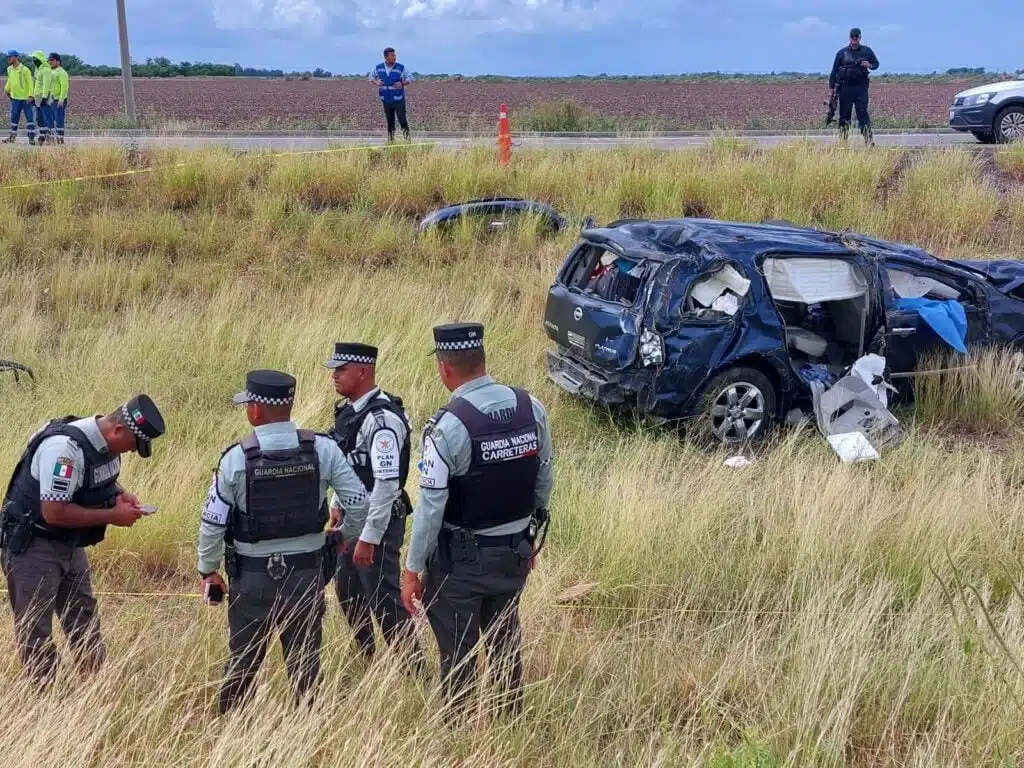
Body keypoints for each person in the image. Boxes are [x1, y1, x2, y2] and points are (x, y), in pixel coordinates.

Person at [401, 323, 554, 719]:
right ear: (482, 361)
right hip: (514, 552)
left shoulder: (447, 427)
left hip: (461, 564)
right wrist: (530, 537)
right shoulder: (530, 408)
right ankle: (509, 723)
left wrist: (413, 568)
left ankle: (459, 730)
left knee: (456, 652)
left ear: (444, 369)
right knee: (505, 640)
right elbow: (544, 477)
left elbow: (431, 509)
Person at [197, 369, 370, 715]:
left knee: (243, 660)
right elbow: (360, 503)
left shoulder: (236, 459)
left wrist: (208, 570)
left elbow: (212, 523)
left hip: (252, 576)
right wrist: (343, 538)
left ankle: (230, 727)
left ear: (256, 410)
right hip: (307, 573)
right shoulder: (323, 449)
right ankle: (306, 727)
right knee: (306, 663)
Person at [1, 396, 166, 687]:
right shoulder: (63, 450)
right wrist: (113, 516)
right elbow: (54, 511)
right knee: (35, 629)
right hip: (34, 546)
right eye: (131, 444)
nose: (130, 452)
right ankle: (46, 702)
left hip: (69, 543)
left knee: (83, 617)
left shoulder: (103, 445)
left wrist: (117, 495)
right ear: (117, 430)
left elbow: (90, 481)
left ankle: (95, 693)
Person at [324, 342, 424, 668]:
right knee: (348, 592)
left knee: (383, 601)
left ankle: (415, 672)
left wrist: (369, 538)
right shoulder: (351, 413)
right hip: (354, 520)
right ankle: (370, 666)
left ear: (363, 372)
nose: (334, 375)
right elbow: (349, 465)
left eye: (341, 369)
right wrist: (338, 503)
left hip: (377, 523)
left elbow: (386, 485)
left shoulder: (381, 421)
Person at [828, 28, 880, 146]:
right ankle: (843, 141)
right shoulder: (841, 53)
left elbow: (876, 64)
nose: (854, 39)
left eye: (856, 37)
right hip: (845, 88)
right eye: (852, 36)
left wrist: (869, 65)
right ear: (850, 37)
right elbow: (833, 72)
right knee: (844, 116)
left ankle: (868, 141)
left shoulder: (867, 51)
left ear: (860, 37)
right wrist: (831, 92)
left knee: (862, 114)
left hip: (861, 88)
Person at [371, 47, 413, 142]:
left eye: (395, 55)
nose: (395, 57)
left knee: (402, 120)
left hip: (398, 99)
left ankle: (408, 141)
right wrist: (376, 82)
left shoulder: (400, 67)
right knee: (390, 122)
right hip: (386, 99)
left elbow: (410, 78)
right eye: (392, 55)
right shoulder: (379, 68)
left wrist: (402, 83)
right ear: (386, 57)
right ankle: (391, 142)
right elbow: (371, 77)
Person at [3, 50, 35, 145]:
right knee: (14, 118)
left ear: (16, 57)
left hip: (26, 99)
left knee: (29, 118)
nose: (8, 58)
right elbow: (10, 80)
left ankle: (31, 138)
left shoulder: (24, 69)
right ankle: (12, 137)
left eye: (10, 57)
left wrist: (30, 95)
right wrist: (6, 89)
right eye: (8, 57)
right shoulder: (9, 69)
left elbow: (30, 83)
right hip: (15, 98)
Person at [29, 51, 53, 145]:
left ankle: (48, 135)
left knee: (46, 117)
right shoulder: (37, 69)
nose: (33, 60)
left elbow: (46, 85)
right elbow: (37, 83)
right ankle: (42, 134)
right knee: (39, 118)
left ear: (39, 59)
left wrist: (44, 97)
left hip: (44, 96)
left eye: (35, 59)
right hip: (37, 96)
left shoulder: (46, 70)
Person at [48, 53, 68, 145]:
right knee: (50, 119)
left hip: (58, 100)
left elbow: (64, 87)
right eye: (49, 60)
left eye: (52, 60)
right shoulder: (50, 72)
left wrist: (61, 99)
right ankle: (51, 138)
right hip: (51, 100)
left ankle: (60, 139)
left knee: (59, 119)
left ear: (58, 61)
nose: (50, 62)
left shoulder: (62, 72)